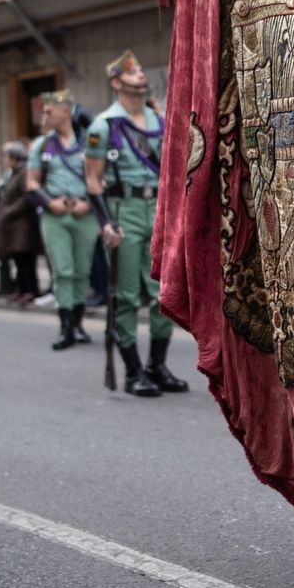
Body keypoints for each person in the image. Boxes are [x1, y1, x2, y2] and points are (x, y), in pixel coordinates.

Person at [85, 51, 189, 397]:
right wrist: (106, 223)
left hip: (158, 210)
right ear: (116, 82)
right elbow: (93, 181)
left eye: (143, 70)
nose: (141, 76)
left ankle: (156, 365)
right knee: (127, 295)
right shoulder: (104, 126)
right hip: (124, 210)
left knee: (164, 292)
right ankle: (132, 371)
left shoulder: (159, 119)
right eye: (133, 73)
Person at [27, 89, 96, 350]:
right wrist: (49, 202)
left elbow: (101, 178)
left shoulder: (90, 142)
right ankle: (65, 327)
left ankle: (78, 324)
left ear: (65, 111)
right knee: (63, 271)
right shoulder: (42, 145)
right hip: (55, 215)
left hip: (84, 214)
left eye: (48, 111)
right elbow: (31, 183)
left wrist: (88, 204)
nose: (44, 116)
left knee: (82, 270)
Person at [0, 140, 44, 305]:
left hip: (23, 225)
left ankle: (30, 290)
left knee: (25, 260)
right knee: (19, 260)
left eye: (8, 156)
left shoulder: (23, 173)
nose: (6, 159)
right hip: (14, 226)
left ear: (15, 157)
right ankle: (22, 289)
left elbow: (26, 197)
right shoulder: (13, 173)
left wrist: (7, 212)